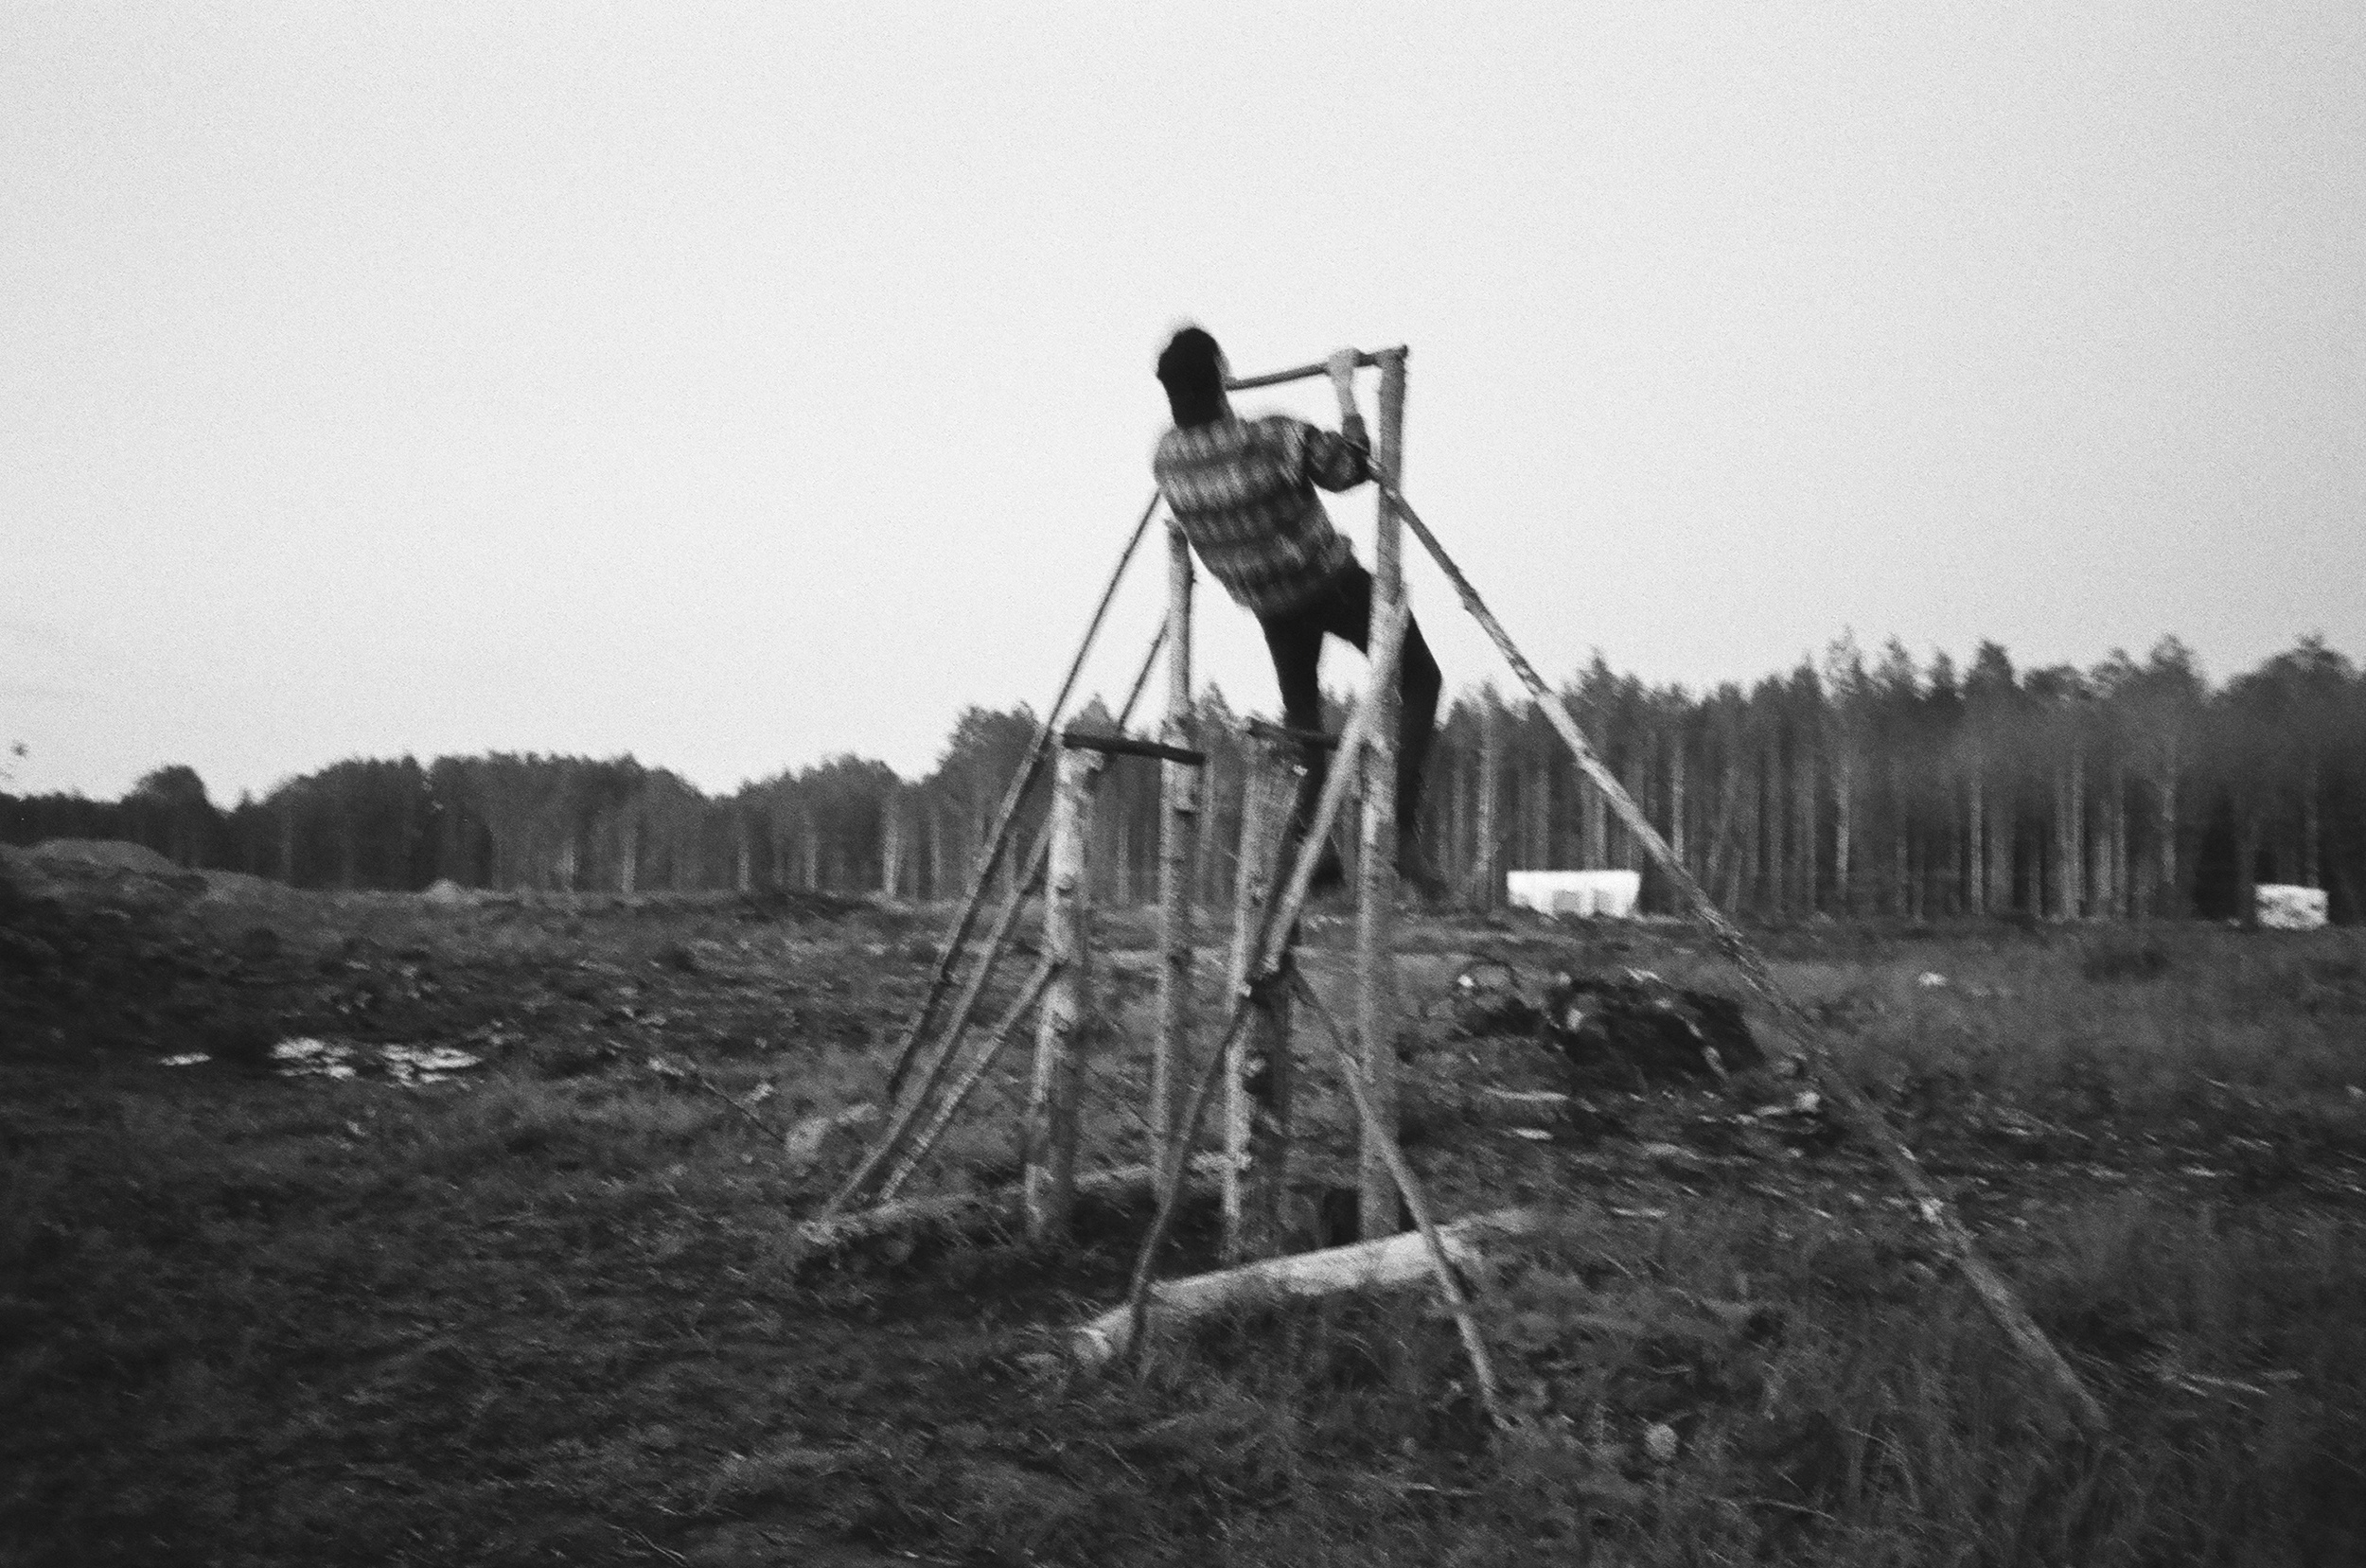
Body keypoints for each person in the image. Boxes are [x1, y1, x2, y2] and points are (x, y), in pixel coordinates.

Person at [1151, 325, 1444, 897]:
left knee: (1304, 715)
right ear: (1220, 378)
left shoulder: (1167, 460)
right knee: (1420, 677)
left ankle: (1317, 847)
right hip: (1328, 581)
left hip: (1267, 600)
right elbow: (1355, 468)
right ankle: (1400, 830)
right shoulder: (1273, 438)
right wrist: (1343, 389)